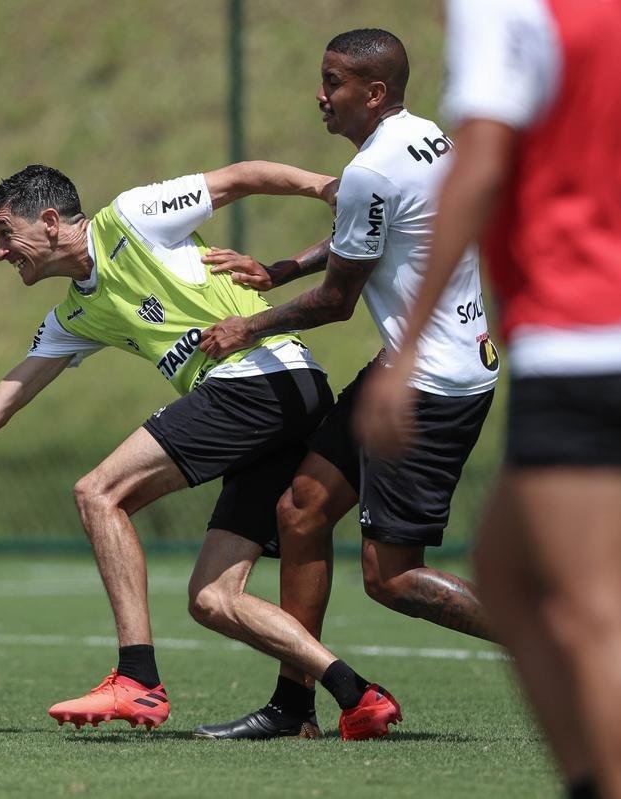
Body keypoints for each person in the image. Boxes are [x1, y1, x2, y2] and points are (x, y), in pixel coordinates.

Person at [0, 162, 401, 740]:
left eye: (3, 233)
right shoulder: (74, 313)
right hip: (283, 396)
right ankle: (358, 695)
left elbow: (239, 176)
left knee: (98, 491)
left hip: (258, 379)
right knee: (213, 600)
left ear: (48, 221)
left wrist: (326, 188)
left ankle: (137, 678)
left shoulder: (133, 217)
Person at [354, 2, 621, 797]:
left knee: (593, 607)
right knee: (506, 572)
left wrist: (410, 343)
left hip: (584, 329)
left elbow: (483, 162)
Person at [192, 28, 498, 740]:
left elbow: (339, 301)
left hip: (431, 385)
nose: (320, 96)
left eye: (333, 83)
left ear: (375, 92)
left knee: (391, 577)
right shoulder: (426, 139)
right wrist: (281, 268)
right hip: (422, 366)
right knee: (299, 510)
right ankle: (293, 708)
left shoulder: (372, 171)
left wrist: (251, 324)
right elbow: (367, 232)